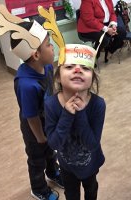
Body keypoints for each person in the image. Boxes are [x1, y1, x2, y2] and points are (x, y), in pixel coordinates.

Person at [0, 5, 63, 200]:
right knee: (37, 157)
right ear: (36, 54)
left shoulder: (47, 68)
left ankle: (53, 173)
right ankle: (39, 188)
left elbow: (52, 91)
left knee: (50, 151)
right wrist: (40, 136)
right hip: (33, 127)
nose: (52, 46)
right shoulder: (26, 84)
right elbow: (31, 116)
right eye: (48, 45)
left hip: (47, 120)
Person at [44, 43, 106, 200]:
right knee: (71, 194)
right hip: (66, 166)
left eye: (85, 68)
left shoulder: (98, 105)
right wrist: (66, 114)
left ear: (92, 78)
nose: (78, 70)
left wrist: (80, 114)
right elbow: (54, 144)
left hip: (90, 164)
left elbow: (92, 144)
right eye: (70, 66)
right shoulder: (51, 104)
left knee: (91, 190)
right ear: (58, 75)